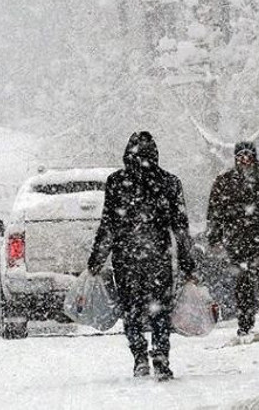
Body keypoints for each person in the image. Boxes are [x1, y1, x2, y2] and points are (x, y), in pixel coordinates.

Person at [87, 131, 197, 382]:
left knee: (132, 310)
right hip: (158, 258)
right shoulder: (169, 182)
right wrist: (187, 263)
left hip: (127, 259)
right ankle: (160, 357)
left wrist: (96, 259)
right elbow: (180, 228)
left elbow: (109, 225)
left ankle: (139, 357)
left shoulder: (116, 182)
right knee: (160, 311)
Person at [207, 141, 259, 337]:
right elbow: (215, 212)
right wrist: (214, 237)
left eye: (248, 155)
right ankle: (245, 321)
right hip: (237, 239)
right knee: (243, 283)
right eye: (241, 155)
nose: (245, 159)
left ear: (255, 156)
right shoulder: (225, 181)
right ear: (235, 157)